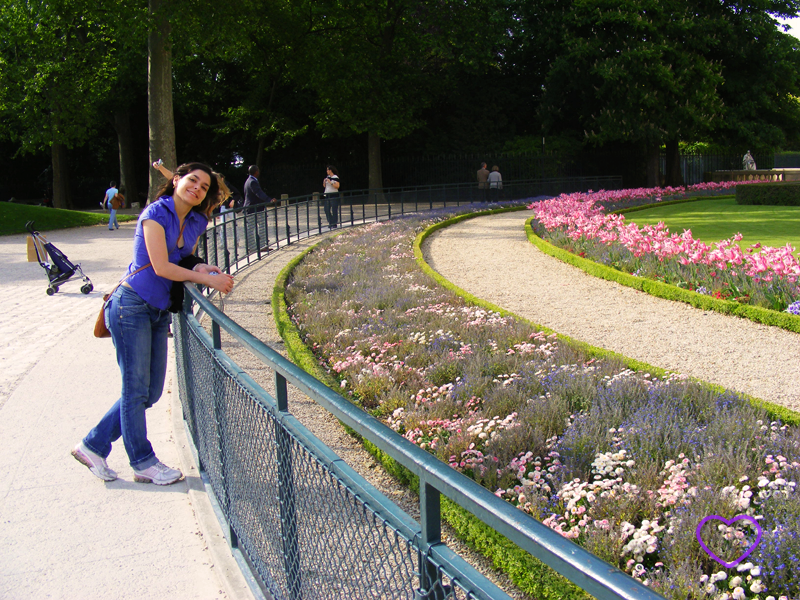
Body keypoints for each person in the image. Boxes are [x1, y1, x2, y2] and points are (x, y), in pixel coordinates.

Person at [72, 162, 235, 485]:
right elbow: (161, 266)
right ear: (176, 180)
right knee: (135, 390)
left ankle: (93, 445)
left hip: (159, 310)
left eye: (204, 186)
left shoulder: (196, 220)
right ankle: (142, 461)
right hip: (131, 306)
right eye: (192, 181)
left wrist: (201, 266)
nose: (198, 188)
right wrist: (208, 282)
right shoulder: (155, 214)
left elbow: (181, 258)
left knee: (151, 392)